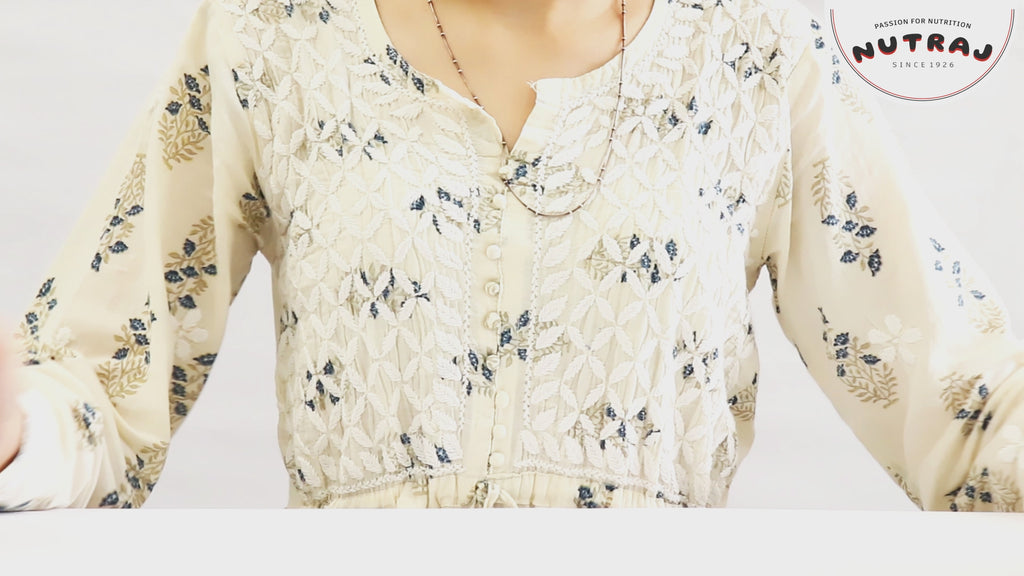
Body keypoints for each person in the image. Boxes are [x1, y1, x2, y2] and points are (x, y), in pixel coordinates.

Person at [1, 0, 1022, 511]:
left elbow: (963, 406)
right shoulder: (272, 35)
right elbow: (95, 386)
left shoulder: (749, 50)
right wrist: (17, 433)